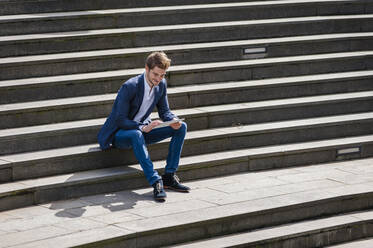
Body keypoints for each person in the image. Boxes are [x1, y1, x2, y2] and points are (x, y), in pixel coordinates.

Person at [97, 51, 190, 201]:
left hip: (144, 129)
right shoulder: (130, 86)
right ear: (146, 69)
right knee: (136, 134)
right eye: (155, 74)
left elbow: (164, 111)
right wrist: (141, 127)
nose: (159, 79)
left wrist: (173, 119)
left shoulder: (161, 84)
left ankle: (169, 177)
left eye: (162, 75)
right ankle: (155, 181)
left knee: (181, 127)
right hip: (120, 133)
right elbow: (120, 119)